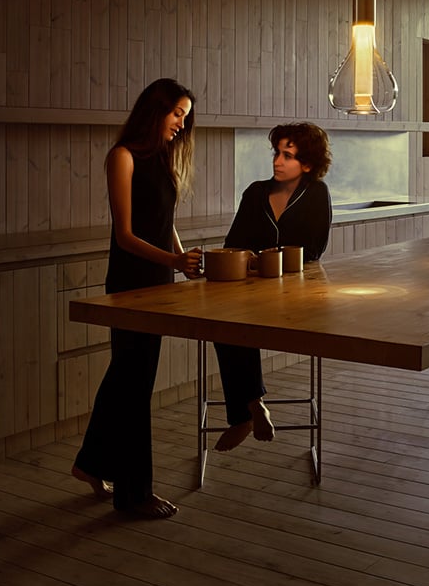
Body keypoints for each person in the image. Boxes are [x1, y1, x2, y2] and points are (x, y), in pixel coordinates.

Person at [71, 78, 203, 519]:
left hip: (160, 282)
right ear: (155, 110)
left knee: (127, 379)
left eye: (185, 116)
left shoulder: (163, 159)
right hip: (129, 284)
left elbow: (164, 221)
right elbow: (125, 235)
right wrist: (173, 259)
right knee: (135, 386)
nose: (182, 125)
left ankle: (90, 463)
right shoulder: (121, 157)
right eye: (176, 114)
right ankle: (134, 494)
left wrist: (181, 258)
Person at [212, 122, 333, 452]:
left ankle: (244, 412)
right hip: (254, 291)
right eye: (276, 153)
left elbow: (314, 250)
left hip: (299, 293)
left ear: (307, 163)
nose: (278, 161)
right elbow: (233, 244)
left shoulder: (317, 193)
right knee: (223, 320)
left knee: (239, 321)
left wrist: (265, 259)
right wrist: (250, 259)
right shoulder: (255, 192)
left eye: (288, 155)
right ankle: (250, 410)